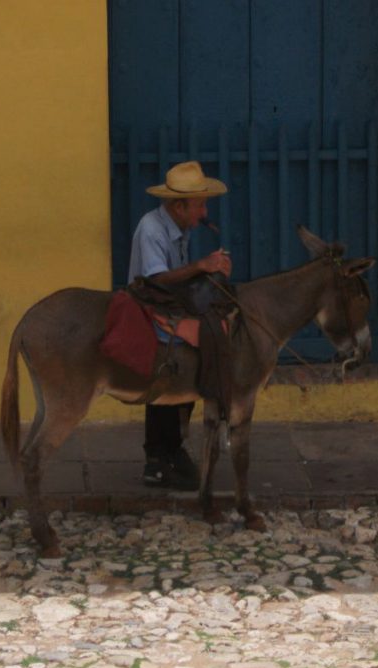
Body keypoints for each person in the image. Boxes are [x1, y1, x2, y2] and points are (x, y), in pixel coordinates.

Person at [127, 160, 233, 489]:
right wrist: (202, 266)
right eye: (199, 205)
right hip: (146, 305)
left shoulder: (180, 229)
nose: (203, 213)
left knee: (205, 339)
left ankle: (173, 447)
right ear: (178, 205)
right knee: (175, 360)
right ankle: (158, 456)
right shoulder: (151, 229)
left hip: (168, 304)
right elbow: (157, 279)